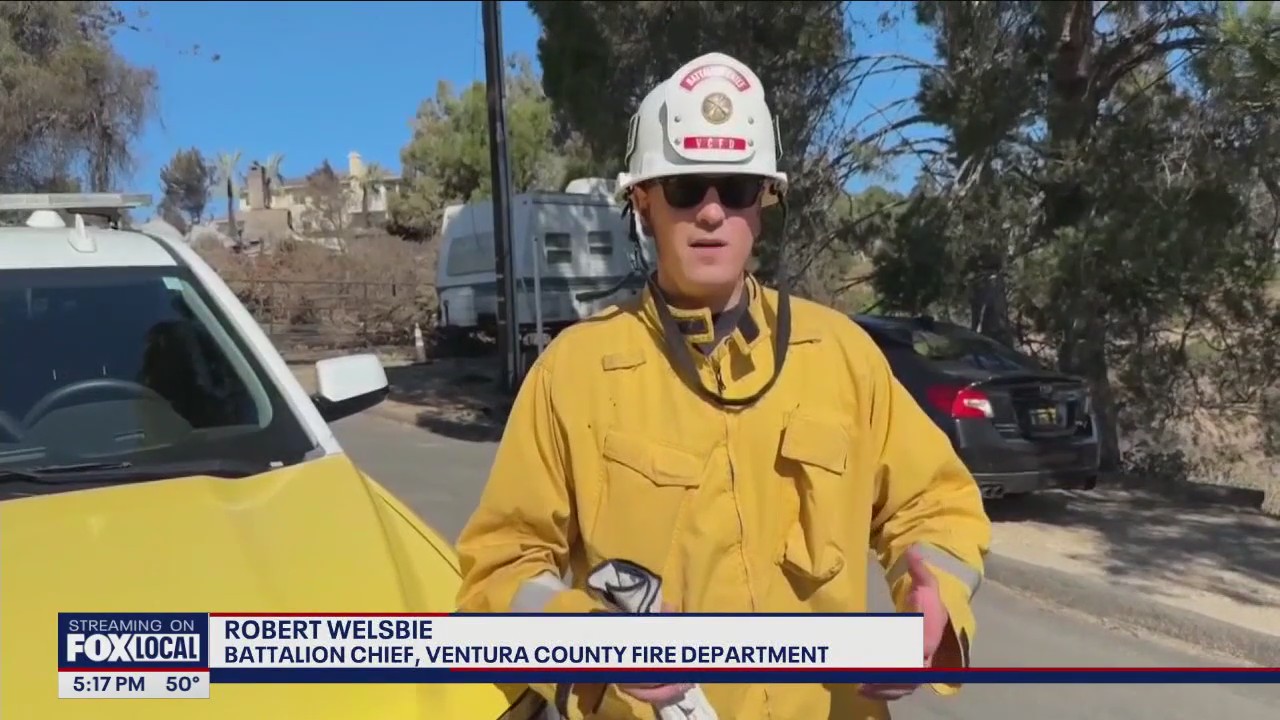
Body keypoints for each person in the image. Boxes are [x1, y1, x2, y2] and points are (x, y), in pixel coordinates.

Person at [454, 51, 993, 720]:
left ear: (763, 205)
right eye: (685, 189)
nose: (711, 213)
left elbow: (935, 504)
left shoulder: (843, 357)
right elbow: (500, 568)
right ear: (643, 202)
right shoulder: (574, 373)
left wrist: (934, 599)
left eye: (736, 189)